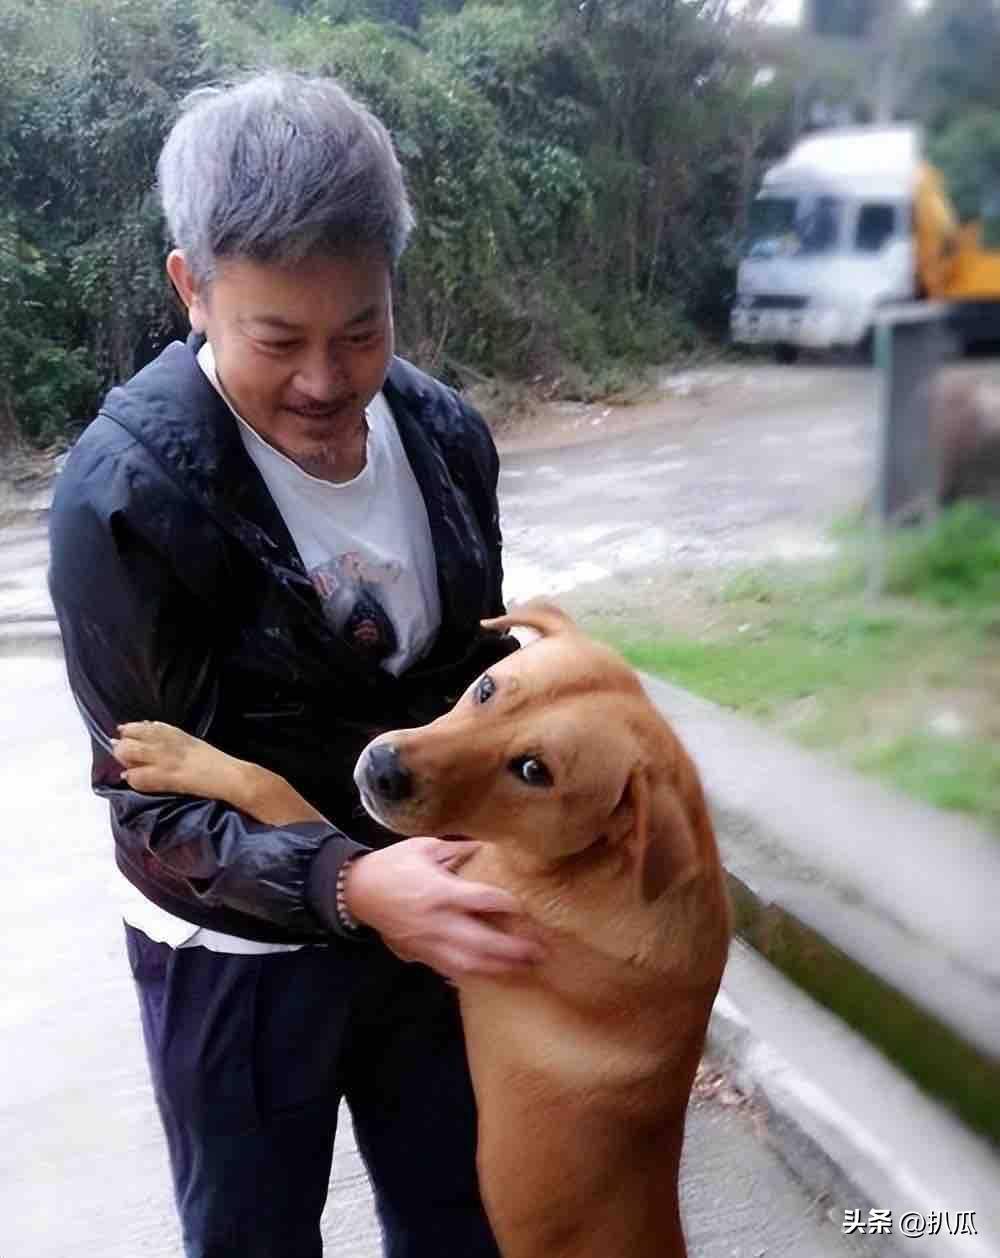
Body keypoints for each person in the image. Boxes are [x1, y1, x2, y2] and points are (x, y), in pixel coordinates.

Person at [48, 71, 542, 1258]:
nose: (326, 381)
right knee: (253, 1236)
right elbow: (155, 812)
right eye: (278, 340)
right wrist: (350, 885)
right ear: (192, 288)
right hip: (240, 961)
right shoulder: (126, 497)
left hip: (432, 925)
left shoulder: (443, 435)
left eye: (361, 331)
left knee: (466, 1218)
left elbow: (474, 675)